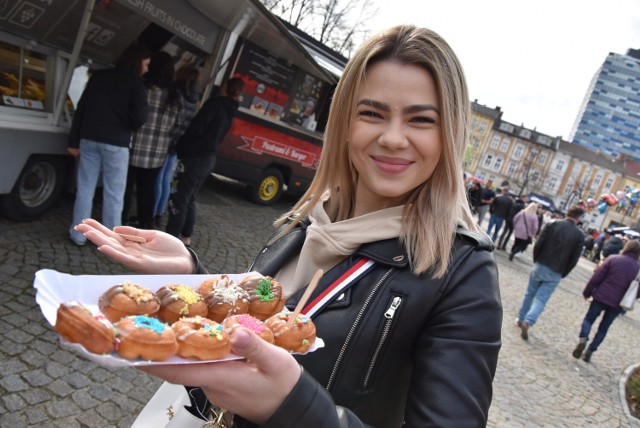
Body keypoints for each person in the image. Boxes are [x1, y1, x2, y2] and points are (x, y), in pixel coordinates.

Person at [75, 25, 502, 427]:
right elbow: (255, 321)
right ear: (344, 123)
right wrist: (192, 278)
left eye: (420, 119)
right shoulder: (308, 217)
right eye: (372, 113)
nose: (392, 137)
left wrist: (293, 406)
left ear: (450, 134)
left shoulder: (463, 273)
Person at [67, 44, 150, 246]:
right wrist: (128, 125)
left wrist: (73, 141)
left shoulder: (99, 76)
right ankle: (110, 240)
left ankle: (79, 234)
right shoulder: (136, 84)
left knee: (85, 188)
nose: (147, 69)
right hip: (117, 144)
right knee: (114, 193)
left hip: (89, 139)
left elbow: (81, 109)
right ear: (138, 62)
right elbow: (140, 117)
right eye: (146, 64)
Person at [165, 77, 244, 246]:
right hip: (208, 158)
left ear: (225, 87)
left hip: (194, 157)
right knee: (190, 197)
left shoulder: (214, 105)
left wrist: (180, 146)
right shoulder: (230, 109)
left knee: (180, 197)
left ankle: (169, 239)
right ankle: (186, 237)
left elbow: (196, 129)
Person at [122, 51, 184, 230]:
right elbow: (177, 127)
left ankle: (120, 220)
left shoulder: (140, 87)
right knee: (147, 190)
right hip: (157, 153)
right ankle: (145, 223)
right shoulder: (175, 96)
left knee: (125, 188)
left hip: (133, 148)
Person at [516, 205, 585, 340]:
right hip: (557, 270)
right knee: (541, 299)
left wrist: (536, 259)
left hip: (541, 263)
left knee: (530, 293)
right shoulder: (579, 235)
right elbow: (574, 258)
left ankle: (521, 318)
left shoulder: (552, 224)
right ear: (579, 218)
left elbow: (539, 243)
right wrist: (564, 272)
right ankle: (528, 321)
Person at [572, 238, 640, 363]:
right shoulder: (638, 268)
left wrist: (587, 291)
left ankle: (583, 338)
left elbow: (597, 277)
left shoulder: (613, 259)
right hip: (618, 303)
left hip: (601, 296)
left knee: (589, 319)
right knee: (604, 328)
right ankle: (590, 351)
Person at [153, 66, 202, 228]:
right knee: (167, 179)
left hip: (167, 141)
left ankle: (153, 212)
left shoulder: (176, 92)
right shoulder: (195, 97)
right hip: (180, 145)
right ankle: (160, 212)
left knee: (159, 177)